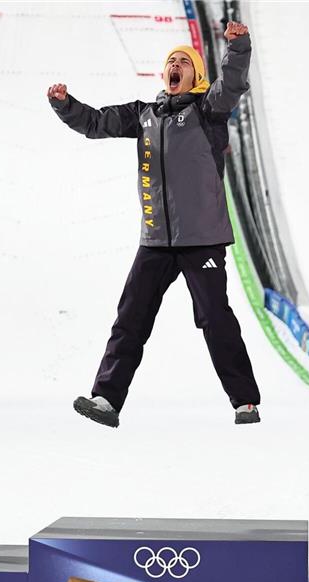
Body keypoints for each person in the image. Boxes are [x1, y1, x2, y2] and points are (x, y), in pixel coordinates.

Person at [47, 21, 261, 427]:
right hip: (156, 241)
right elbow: (96, 123)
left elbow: (232, 84)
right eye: (171, 62)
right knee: (130, 317)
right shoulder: (143, 115)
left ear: (197, 76)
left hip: (202, 239)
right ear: (164, 74)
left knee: (215, 317)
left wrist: (238, 47)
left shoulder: (208, 110)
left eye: (184, 62)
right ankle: (106, 400)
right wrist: (65, 104)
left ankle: (245, 401)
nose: (175, 66)